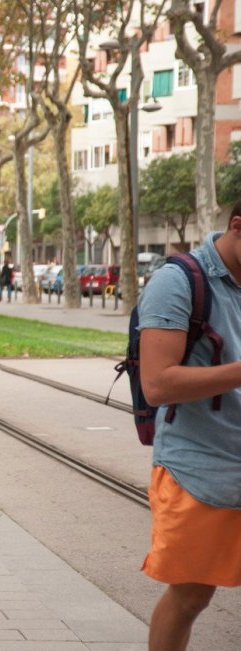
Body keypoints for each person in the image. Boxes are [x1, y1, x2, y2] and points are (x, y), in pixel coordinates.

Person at [138, 203, 241, 651]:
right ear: (238, 226)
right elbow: (158, 383)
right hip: (201, 471)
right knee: (191, 596)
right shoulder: (177, 281)